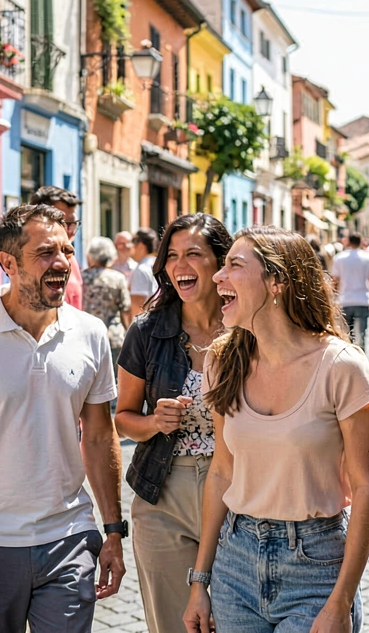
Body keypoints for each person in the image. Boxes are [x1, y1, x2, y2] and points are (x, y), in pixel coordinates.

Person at [0, 204, 125, 633]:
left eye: (67, 251)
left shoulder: (90, 333)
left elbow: (98, 436)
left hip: (69, 537)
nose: (62, 263)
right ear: (8, 263)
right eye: (46, 253)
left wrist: (112, 530)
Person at [184, 226, 369, 633]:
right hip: (235, 562)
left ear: (277, 282)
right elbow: (222, 471)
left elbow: (367, 487)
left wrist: (341, 600)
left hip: (317, 566)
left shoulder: (342, 367)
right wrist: (200, 581)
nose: (218, 277)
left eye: (234, 266)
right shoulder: (223, 363)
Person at [116, 214, 231, 633]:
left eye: (194, 255)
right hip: (162, 492)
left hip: (240, 494)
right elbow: (122, 419)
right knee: (173, 624)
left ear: (221, 261)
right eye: (172, 256)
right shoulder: (147, 331)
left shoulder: (248, 327)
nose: (180, 265)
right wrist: (153, 422)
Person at [30, 185, 84, 310]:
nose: (70, 230)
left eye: (74, 223)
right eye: (63, 223)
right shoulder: (35, 260)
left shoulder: (70, 258)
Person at [84, 236, 132, 366]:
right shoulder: (118, 278)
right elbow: (126, 309)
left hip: (87, 337)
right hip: (114, 337)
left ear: (90, 256)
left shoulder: (82, 278)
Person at [331, 233, 369, 349]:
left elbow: (335, 280)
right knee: (361, 333)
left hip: (344, 299)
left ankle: (348, 356)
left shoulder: (339, 258)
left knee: (345, 334)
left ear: (348, 241)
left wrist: (333, 298)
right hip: (362, 299)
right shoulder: (368, 257)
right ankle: (361, 356)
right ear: (360, 242)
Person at [130, 228, 160, 317]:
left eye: (133, 242)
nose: (130, 246)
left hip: (147, 325)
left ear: (141, 246)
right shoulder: (159, 265)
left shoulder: (141, 270)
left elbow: (137, 306)